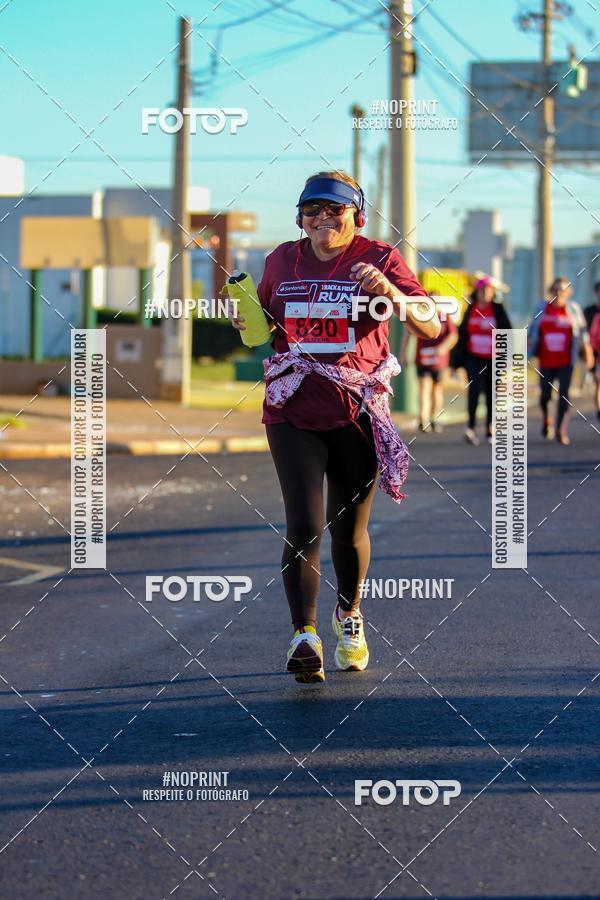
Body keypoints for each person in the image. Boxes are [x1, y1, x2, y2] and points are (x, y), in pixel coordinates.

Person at [228, 170, 440, 684]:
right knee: (303, 523)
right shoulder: (281, 259)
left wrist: (392, 292)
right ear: (300, 217)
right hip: (292, 407)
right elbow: (269, 326)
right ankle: (304, 636)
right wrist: (248, 321)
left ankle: (349, 616)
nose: (322, 219)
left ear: (356, 215)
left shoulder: (380, 257)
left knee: (348, 531)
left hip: (356, 410)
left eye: (334, 210)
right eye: (312, 210)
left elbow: (432, 324)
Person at [528, 277, 593, 444]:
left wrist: (588, 352)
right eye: (556, 290)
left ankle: (561, 430)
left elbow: (582, 333)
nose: (559, 293)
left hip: (566, 360)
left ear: (568, 292)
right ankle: (547, 419)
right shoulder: (541, 308)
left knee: (564, 394)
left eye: (563, 290)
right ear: (551, 291)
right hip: (546, 360)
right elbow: (532, 330)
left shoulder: (573, 309)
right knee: (544, 396)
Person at [453, 276, 512, 446]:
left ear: (492, 293)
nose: (485, 293)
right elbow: (462, 334)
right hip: (474, 357)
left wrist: (506, 358)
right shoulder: (471, 308)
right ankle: (471, 428)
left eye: (488, 290)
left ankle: (490, 428)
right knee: (474, 391)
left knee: (491, 393)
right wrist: (456, 362)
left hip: (493, 359)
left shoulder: (498, 309)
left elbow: (507, 332)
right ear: (477, 292)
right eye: (482, 290)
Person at [401, 300, 458, 432]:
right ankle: (424, 419)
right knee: (424, 388)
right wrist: (403, 354)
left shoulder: (444, 317)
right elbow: (407, 334)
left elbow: (453, 335)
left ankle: (435, 419)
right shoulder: (419, 317)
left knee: (437, 390)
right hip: (423, 359)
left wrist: (444, 348)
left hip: (439, 362)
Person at [583, 280, 600, 421]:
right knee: (598, 383)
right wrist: (588, 352)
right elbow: (585, 333)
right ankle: (599, 410)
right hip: (594, 351)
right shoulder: (589, 312)